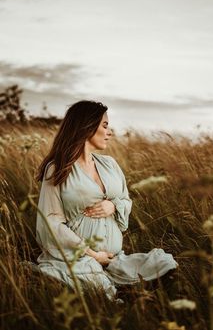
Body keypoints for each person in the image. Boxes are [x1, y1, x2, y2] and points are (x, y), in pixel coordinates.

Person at [36, 100, 178, 301]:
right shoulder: (58, 169)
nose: (109, 132)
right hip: (79, 257)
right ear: (86, 127)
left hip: (113, 258)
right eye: (104, 125)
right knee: (99, 288)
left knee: (163, 263)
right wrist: (93, 254)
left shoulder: (110, 164)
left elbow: (125, 200)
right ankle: (121, 293)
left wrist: (113, 205)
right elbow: (51, 222)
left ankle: (124, 286)